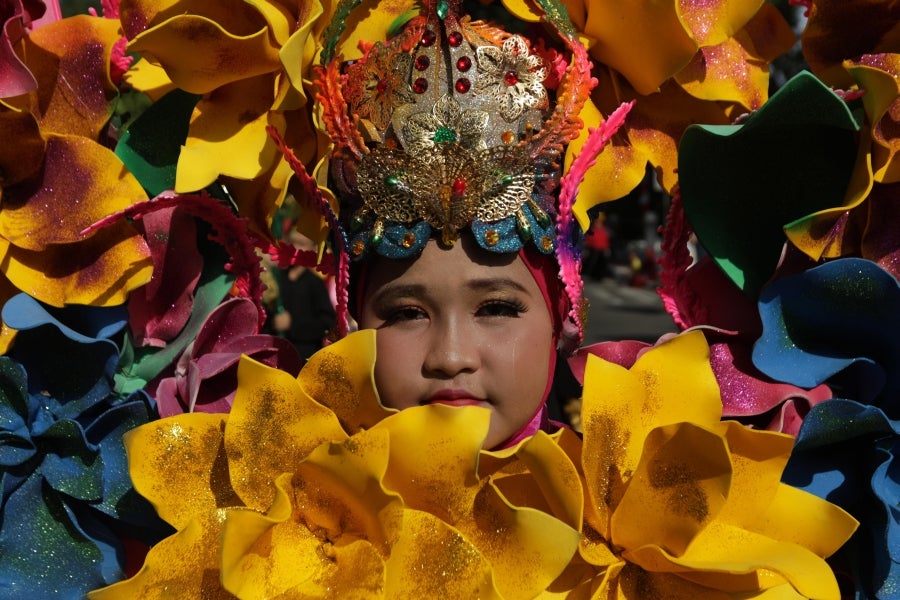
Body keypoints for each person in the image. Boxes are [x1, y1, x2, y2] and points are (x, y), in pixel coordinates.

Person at [307, 0, 609, 450]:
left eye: (496, 308)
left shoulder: (620, 490)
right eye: (407, 314)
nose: (450, 358)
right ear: (348, 324)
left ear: (563, 319)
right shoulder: (287, 489)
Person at [270, 228, 337, 361]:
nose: (296, 248)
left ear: (312, 249)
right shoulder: (276, 278)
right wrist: (273, 322)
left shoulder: (315, 284)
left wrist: (294, 325)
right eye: (292, 242)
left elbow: (327, 324)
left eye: (301, 244)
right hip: (276, 356)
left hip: (304, 357)